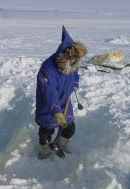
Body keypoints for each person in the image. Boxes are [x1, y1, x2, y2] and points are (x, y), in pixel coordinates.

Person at [35, 26, 88, 159]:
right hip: (49, 105)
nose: (77, 63)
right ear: (68, 56)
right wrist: (57, 112)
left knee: (70, 128)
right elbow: (49, 92)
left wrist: (74, 83)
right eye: (76, 60)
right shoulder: (47, 69)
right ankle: (44, 151)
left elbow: (75, 72)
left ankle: (61, 145)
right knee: (46, 131)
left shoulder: (73, 63)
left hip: (64, 101)